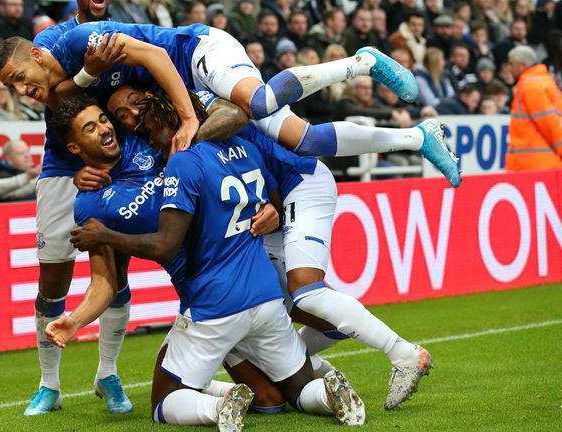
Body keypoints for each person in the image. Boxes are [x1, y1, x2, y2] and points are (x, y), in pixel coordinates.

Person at [103, 83, 436, 410]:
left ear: (160, 103)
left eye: (137, 108)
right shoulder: (208, 142)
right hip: (259, 254)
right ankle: (314, 377)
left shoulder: (196, 110)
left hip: (298, 185)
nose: (134, 120)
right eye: (123, 115)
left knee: (309, 294)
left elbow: (236, 113)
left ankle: (403, 353)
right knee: (272, 398)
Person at [49, 93, 366, 429]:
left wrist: (105, 235)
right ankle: (326, 392)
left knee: (164, 401)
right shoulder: (95, 200)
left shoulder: (158, 146)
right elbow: (104, 281)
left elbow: (166, 244)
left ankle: (220, 406)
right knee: (276, 400)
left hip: (210, 300)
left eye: (103, 119)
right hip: (259, 291)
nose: (105, 127)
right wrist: (76, 320)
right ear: (74, 147)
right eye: (90, 127)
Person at [0, 21, 461, 187]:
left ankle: (362, 61)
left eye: (19, 78)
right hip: (192, 88)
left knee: (256, 102)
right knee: (306, 141)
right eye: (11, 87)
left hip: (196, 51)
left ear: (36, 55)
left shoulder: (79, 39)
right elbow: (63, 112)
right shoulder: (63, 83)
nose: (21, 90)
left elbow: (156, 55)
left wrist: (184, 120)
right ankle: (419, 137)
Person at [17, 0, 136, 417]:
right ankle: (49, 385)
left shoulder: (128, 31)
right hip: (60, 170)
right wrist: (89, 73)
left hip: (112, 166)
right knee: (54, 278)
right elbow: (48, 96)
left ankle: (107, 373)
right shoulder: (50, 40)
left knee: (115, 274)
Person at [505, 45, 562, 171]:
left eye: (511, 64)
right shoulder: (542, 81)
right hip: (541, 162)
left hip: (534, 165)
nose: (509, 68)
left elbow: (549, 124)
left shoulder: (531, 86)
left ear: (523, 66)